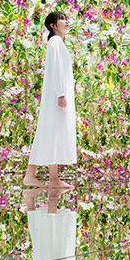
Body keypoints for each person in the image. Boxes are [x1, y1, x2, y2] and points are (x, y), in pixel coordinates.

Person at [23, 11, 77, 194]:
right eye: (61, 19)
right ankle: (31, 172)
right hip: (57, 95)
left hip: (58, 95)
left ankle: (53, 177)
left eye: (65, 18)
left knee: (54, 133)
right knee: (48, 131)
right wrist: (61, 93)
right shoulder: (55, 42)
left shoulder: (58, 43)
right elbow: (56, 70)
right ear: (53, 25)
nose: (66, 21)